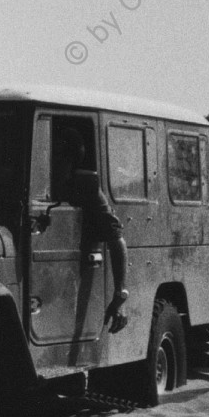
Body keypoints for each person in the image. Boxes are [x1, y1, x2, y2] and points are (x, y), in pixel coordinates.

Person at [51, 123, 130, 334]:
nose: (55, 162)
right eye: (53, 156)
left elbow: (115, 236)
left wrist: (120, 293)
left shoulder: (84, 185)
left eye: (61, 156)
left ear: (71, 160)